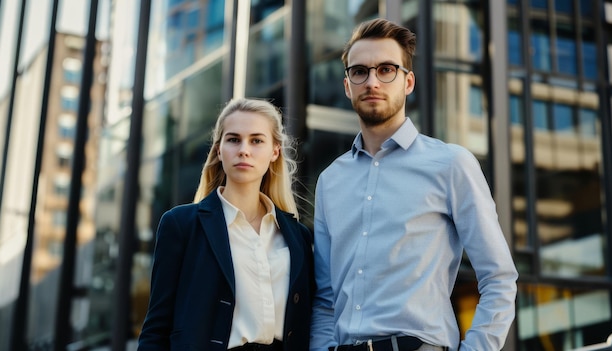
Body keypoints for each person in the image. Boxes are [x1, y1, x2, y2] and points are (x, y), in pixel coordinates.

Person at [310, 18, 518, 351]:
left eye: (386, 69)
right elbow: (324, 298)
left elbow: (499, 278)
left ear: (408, 82)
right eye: (359, 71)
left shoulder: (451, 164)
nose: (372, 81)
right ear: (348, 85)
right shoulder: (330, 181)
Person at [138, 98, 314, 351]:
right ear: (219, 150)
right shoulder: (181, 225)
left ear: (274, 151)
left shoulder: (298, 237)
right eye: (233, 139)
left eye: (256, 140)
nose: (244, 150)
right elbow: (156, 328)